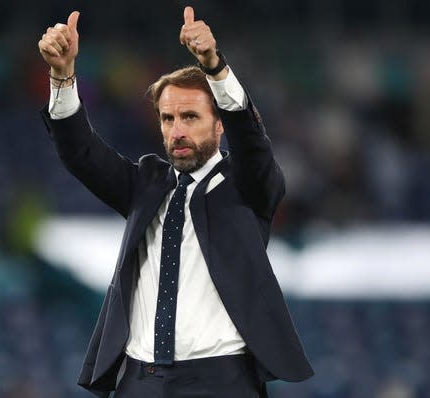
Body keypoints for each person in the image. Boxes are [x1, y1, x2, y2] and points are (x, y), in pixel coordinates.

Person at [38, 6, 313, 397]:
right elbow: (80, 153)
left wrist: (215, 67)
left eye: (190, 117)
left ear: (219, 124)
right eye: (168, 119)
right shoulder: (145, 183)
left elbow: (252, 142)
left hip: (221, 380)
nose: (177, 130)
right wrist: (62, 76)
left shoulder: (248, 186)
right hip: (140, 379)